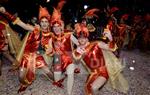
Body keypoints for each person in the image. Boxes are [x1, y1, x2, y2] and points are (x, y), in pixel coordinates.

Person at [0, 6, 54, 92]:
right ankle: (25, 83)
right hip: (27, 57)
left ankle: (56, 81)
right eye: (42, 22)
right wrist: (5, 12)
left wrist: (49, 50)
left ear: (48, 23)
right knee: (21, 77)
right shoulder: (34, 29)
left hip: (38, 57)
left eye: (46, 22)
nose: (44, 24)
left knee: (50, 74)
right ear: (40, 23)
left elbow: (51, 47)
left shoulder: (50, 35)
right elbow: (21, 24)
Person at [73, 22, 129, 95]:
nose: (82, 39)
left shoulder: (96, 44)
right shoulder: (79, 50)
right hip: (93, 73)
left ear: (87, 37)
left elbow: (111, 48)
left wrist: (110, 38)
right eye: (80, 37)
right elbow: (76, 59)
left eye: (84, 36)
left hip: (103, 71)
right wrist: (77, 52)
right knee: (88, 89)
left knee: (94, 88)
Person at [46, 1, 79, 94]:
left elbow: (79, 44)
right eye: (54, 27)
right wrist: (49, 51)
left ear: (61, 26)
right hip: (57, 60)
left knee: (70, 74)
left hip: (69, 59)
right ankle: (61, 75)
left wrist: (78, 51)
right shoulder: (51, 39)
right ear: (52, 28)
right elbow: (49, 50)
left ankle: (69, 93)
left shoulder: (69, 35)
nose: (56, 28)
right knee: (57, 80)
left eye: (58, 26)